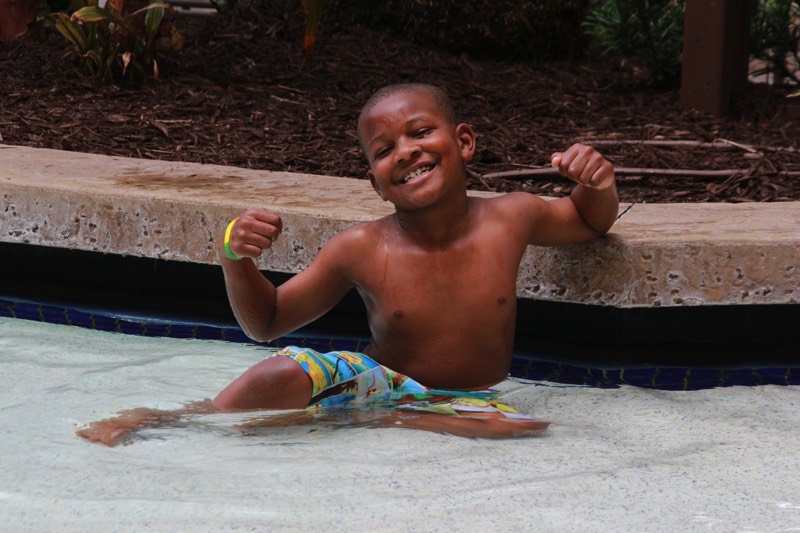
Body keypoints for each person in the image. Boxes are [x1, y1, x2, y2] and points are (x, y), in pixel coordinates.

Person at [77, 83, 618, 446]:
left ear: (464, 142)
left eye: (420, 132)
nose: (404, 151)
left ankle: (389, 419)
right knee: (279, 372)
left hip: (469, 400)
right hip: (380, 381)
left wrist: (598, 181)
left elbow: (590, 221)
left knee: (528, 428)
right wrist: (234, 257)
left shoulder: (513, 217)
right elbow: (266, 323)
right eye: (384, 150)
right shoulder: (361, 247)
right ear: (377, 184)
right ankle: (162, 419)